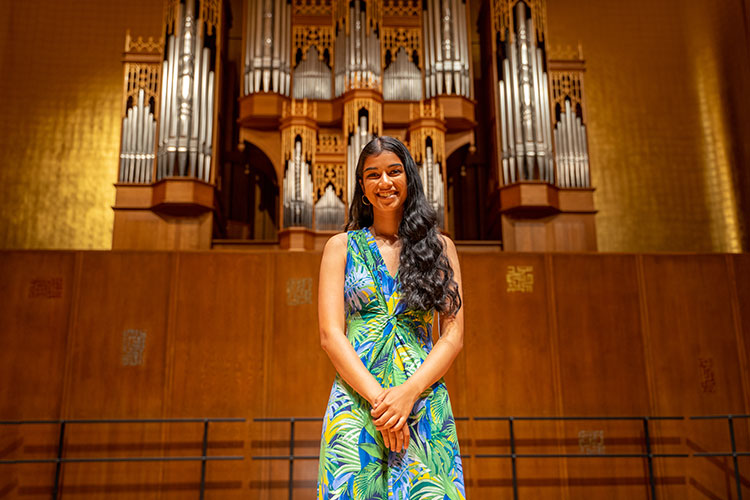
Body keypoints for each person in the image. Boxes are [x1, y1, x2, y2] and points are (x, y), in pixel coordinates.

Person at [316, 136, 466, 499]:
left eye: (394, 171)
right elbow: (330, 335)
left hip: (422, 399)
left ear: (409, 178)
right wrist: (383, 402)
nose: (384, 182)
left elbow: (453, 335)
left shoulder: (440, 247)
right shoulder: (340, 247)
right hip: (356, 401)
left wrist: (407, 394)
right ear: (363, 188)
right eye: (373, 175)